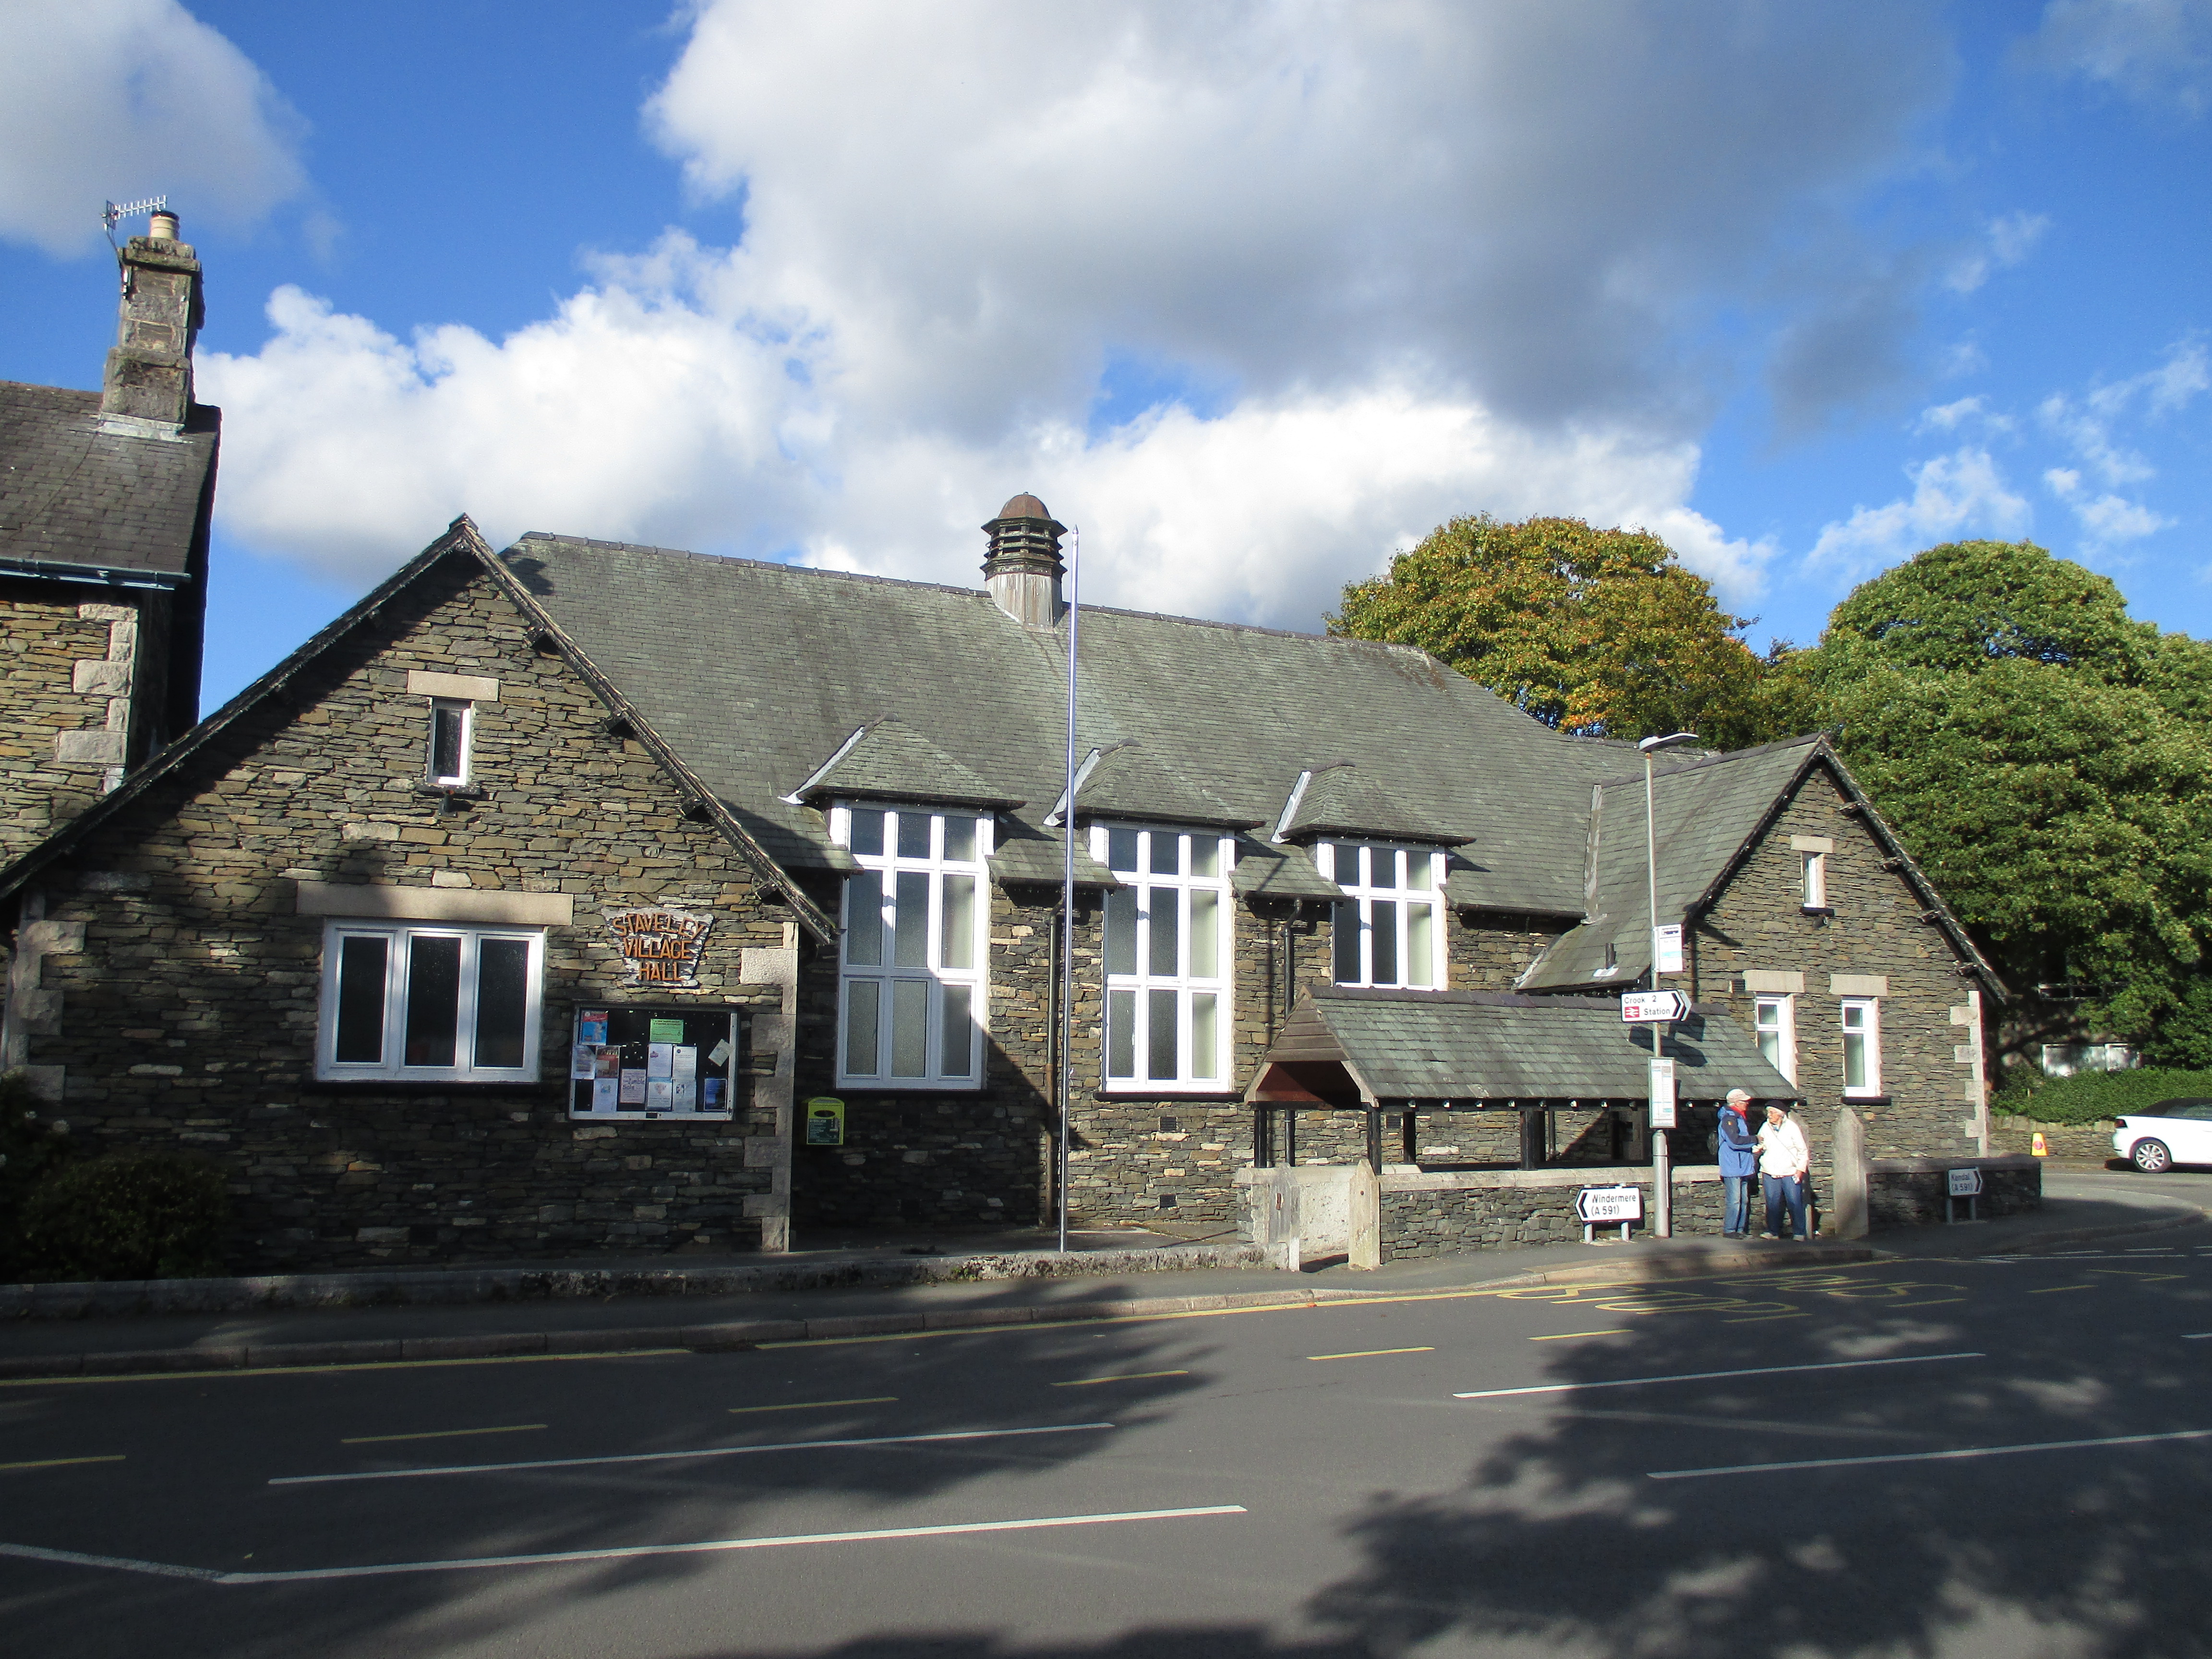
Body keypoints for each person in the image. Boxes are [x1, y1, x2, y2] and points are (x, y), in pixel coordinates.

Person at [1755, 1101, 1811, 1240]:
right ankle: (1773, 1231)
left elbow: (1803, 1151)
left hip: (1790, 1171)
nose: (1769, 1115)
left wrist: (1800, 1169)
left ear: (1781, 1114)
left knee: (1794, 1202)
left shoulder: (1792, 1128)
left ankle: (1799, 1232)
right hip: (1769, 1170)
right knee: (1772, 1202)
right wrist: (1758, 1149)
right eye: (1768, 1112)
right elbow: (1761, 1144)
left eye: (1772, 1112)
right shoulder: (1765, 1127)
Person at [1717, 1089, 1758, 1238]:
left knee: (1744, 1200)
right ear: (1735, 1103)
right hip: (1733, 1166)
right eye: (1743, 1102)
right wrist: (1755, 1139)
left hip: (1743, 1166)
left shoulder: (1739, 1118)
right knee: (1735, 1200)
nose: (1746, 1104)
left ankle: (1740, 1230)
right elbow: (1735, 1141)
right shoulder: (1729, 1119)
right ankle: (1730, 1230)